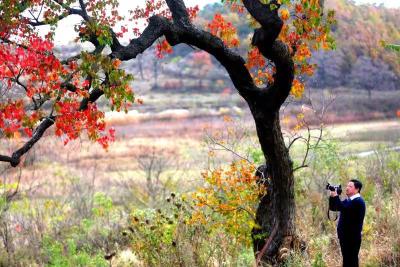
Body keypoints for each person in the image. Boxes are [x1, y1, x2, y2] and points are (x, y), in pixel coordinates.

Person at [329, 179, 366, 267]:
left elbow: (343, 208)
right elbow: (335, 207)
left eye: (350, 186)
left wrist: (336, 196)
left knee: (351, 261)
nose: (347, 188)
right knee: (347, 261)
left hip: (352, 238)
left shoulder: (358, 201)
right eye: (347, 186)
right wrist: (332, 196)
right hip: (346, 237)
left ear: (357, 189)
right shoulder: (349, 200)